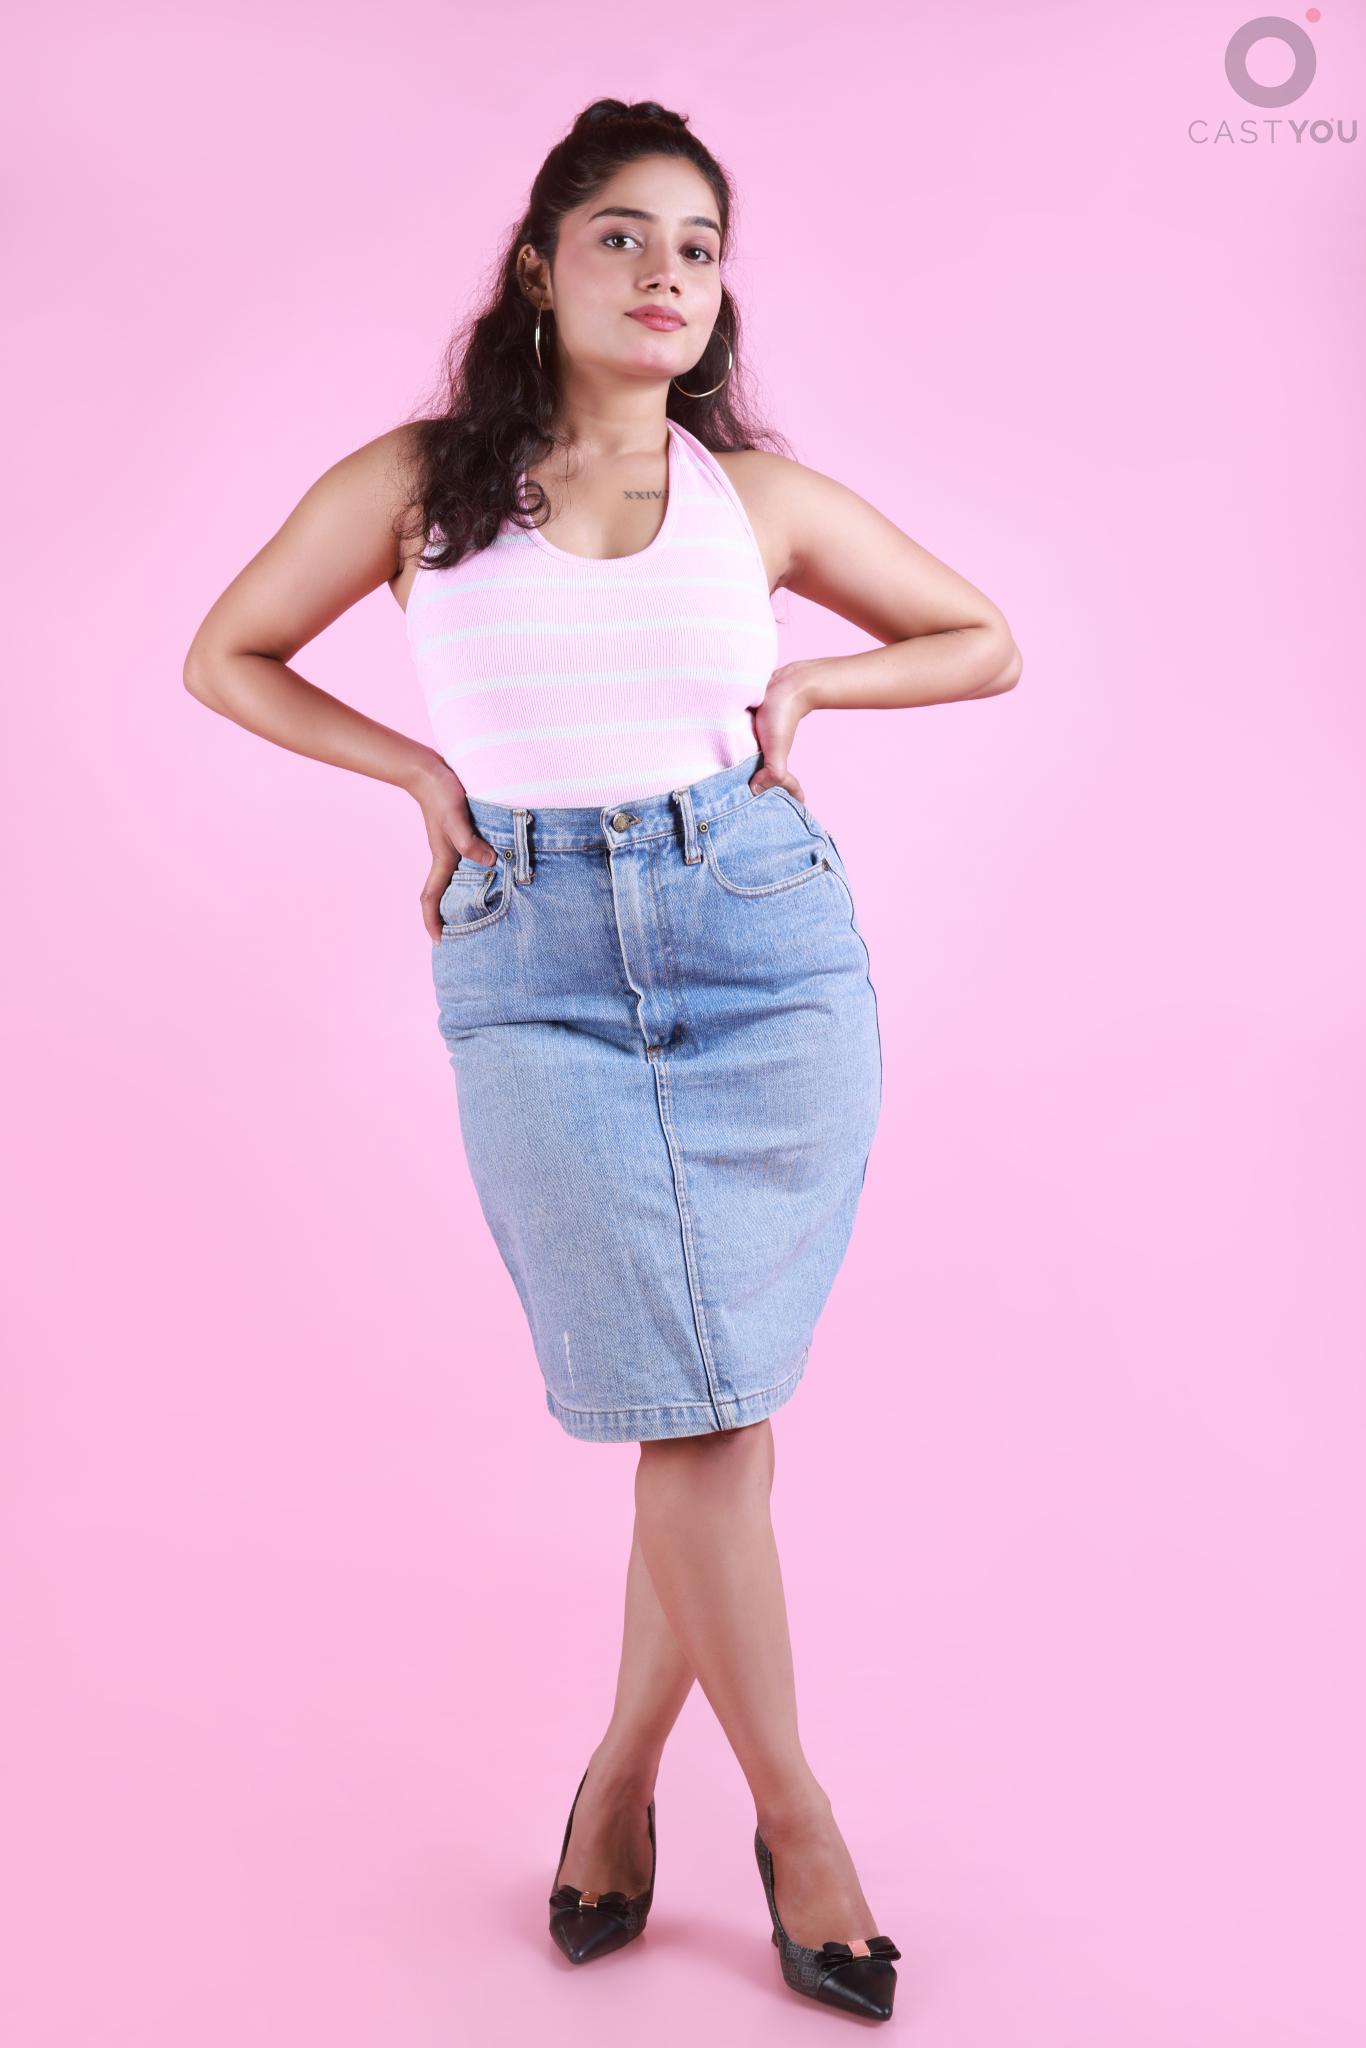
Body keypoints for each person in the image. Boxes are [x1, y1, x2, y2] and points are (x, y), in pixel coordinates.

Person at [184, 96, 1021, 2022]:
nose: (665, 275)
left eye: (698, 248)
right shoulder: (419, 486)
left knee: (704, 1412)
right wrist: (419, 775)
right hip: (536, 969)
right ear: (540, 267)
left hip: (764, 957)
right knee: (699, 1411)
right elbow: (228, 653)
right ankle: (795, 1820)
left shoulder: (756, 499)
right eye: (624, 237)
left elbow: (981, 638)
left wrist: (817, 681)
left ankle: (627, 1779)